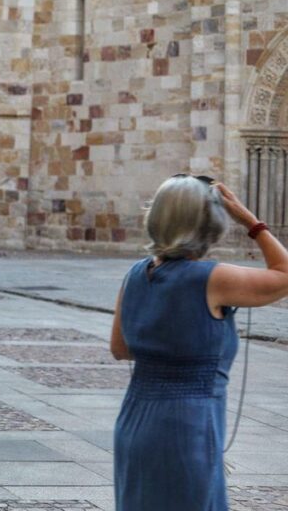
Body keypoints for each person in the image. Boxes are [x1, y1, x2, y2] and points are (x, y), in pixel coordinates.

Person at [110, 175, 288, 511]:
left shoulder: (134, 274)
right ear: (209, 225)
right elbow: (284, 273)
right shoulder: (213, 278)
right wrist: (251, 222)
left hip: (135, 420)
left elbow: (120, 348)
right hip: (187, 423)